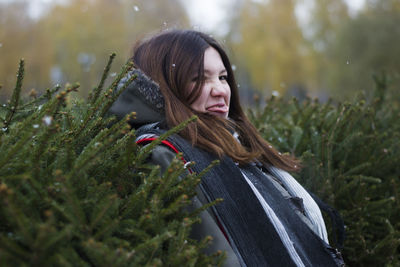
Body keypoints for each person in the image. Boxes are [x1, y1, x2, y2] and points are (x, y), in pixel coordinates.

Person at [110, 29, 344, 266]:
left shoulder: (232, 147)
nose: (221, 90)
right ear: (166, 86)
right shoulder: (163, 154)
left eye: (222, 77)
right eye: (199, 79)